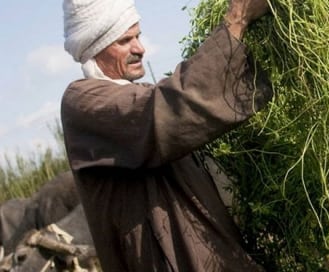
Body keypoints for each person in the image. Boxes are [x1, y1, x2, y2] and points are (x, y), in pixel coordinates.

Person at [60, 0, 273, 270]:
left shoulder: (135, 95)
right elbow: (170, 111)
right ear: (94, 47)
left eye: (138, 36)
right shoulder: (82, 103)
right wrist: (237, 19)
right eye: (125, 40)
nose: (140, 48)